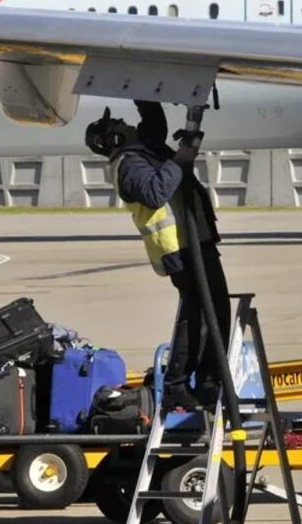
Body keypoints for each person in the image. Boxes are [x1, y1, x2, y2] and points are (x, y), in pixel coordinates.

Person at [85, 102, 230, 410]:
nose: (126, 123)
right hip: (179, 247)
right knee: (198, 317)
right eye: (119, 125)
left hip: (195, 241)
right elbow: (154, 193)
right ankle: (179, 384)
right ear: (113, 141)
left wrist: (144, 87)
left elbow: (154, 118)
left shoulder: (144, 147)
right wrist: (181, 158)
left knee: (214, 312)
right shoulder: (128, 164)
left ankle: (208, 380)